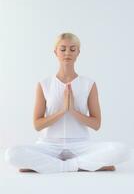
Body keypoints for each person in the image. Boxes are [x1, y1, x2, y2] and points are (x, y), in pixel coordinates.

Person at [4, 32, 130, 173]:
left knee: (122, 150)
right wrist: (63, 111)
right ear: (55, 52)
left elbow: (96, 124)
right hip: (49, 145)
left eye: (72, 49)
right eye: (62, 49)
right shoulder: (44, 84)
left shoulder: (89, 84)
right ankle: (82, 165)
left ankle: (54, 166)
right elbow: (37, 125)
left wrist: (73, 111)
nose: (67, 53)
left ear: (78, 52)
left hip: (81, 145)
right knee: (11, 154)